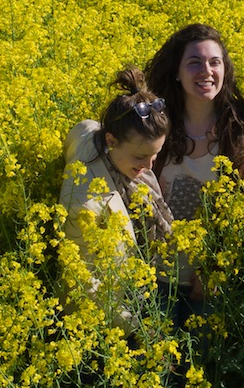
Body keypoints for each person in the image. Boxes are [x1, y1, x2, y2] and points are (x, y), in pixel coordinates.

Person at [144, 23, 244, 325]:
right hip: (150, 276)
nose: (206, 71)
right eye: (194, 63)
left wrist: (214, 267)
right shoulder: (151, 124)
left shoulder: (241, 131)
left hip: (206, 281)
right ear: (176, 73)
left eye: (214, 62)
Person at [59, 67, 174, 335]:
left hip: (131, 294)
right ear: (111, 140)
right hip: (98, 324)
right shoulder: (85, 204)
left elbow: (85, 128)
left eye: (155, 155)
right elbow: (85, 283)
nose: (149, 167)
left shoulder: (96, 138)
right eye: (140, 157)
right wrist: (138, 330)